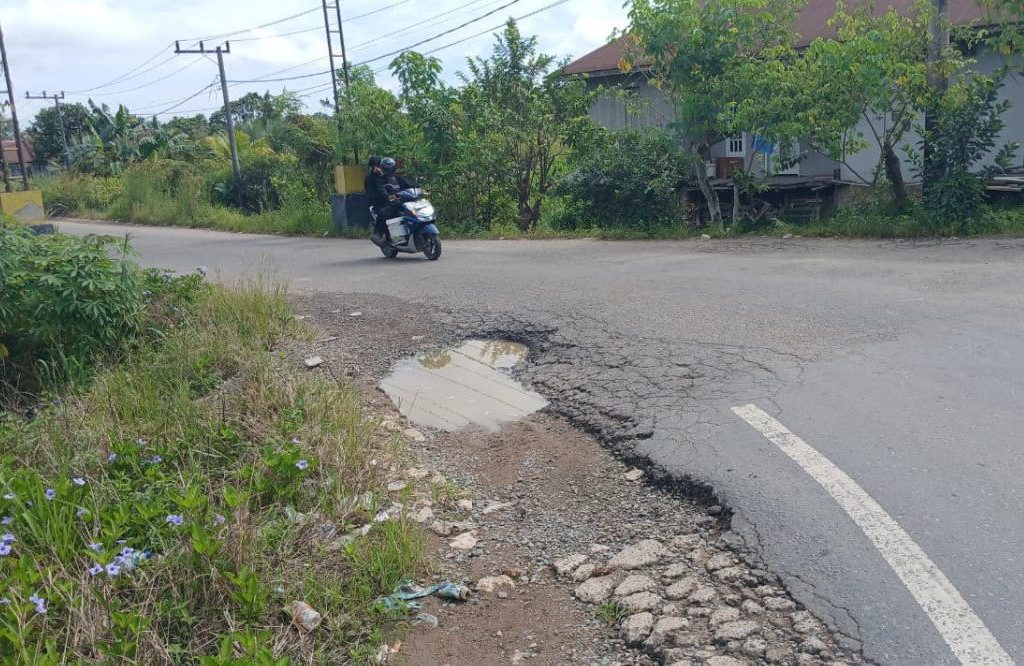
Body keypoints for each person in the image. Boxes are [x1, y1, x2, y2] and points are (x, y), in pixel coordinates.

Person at [366, 156, 412, 246]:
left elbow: (408, 185)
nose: (377, 168)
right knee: (383, 213)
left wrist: (419, 189)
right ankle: (378, 234)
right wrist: (387, 197)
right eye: (374, 166)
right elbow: (380, 191)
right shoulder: (373, 179)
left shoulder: (397, 177)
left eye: (378, 166)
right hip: (379, 202)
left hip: (395, 201)